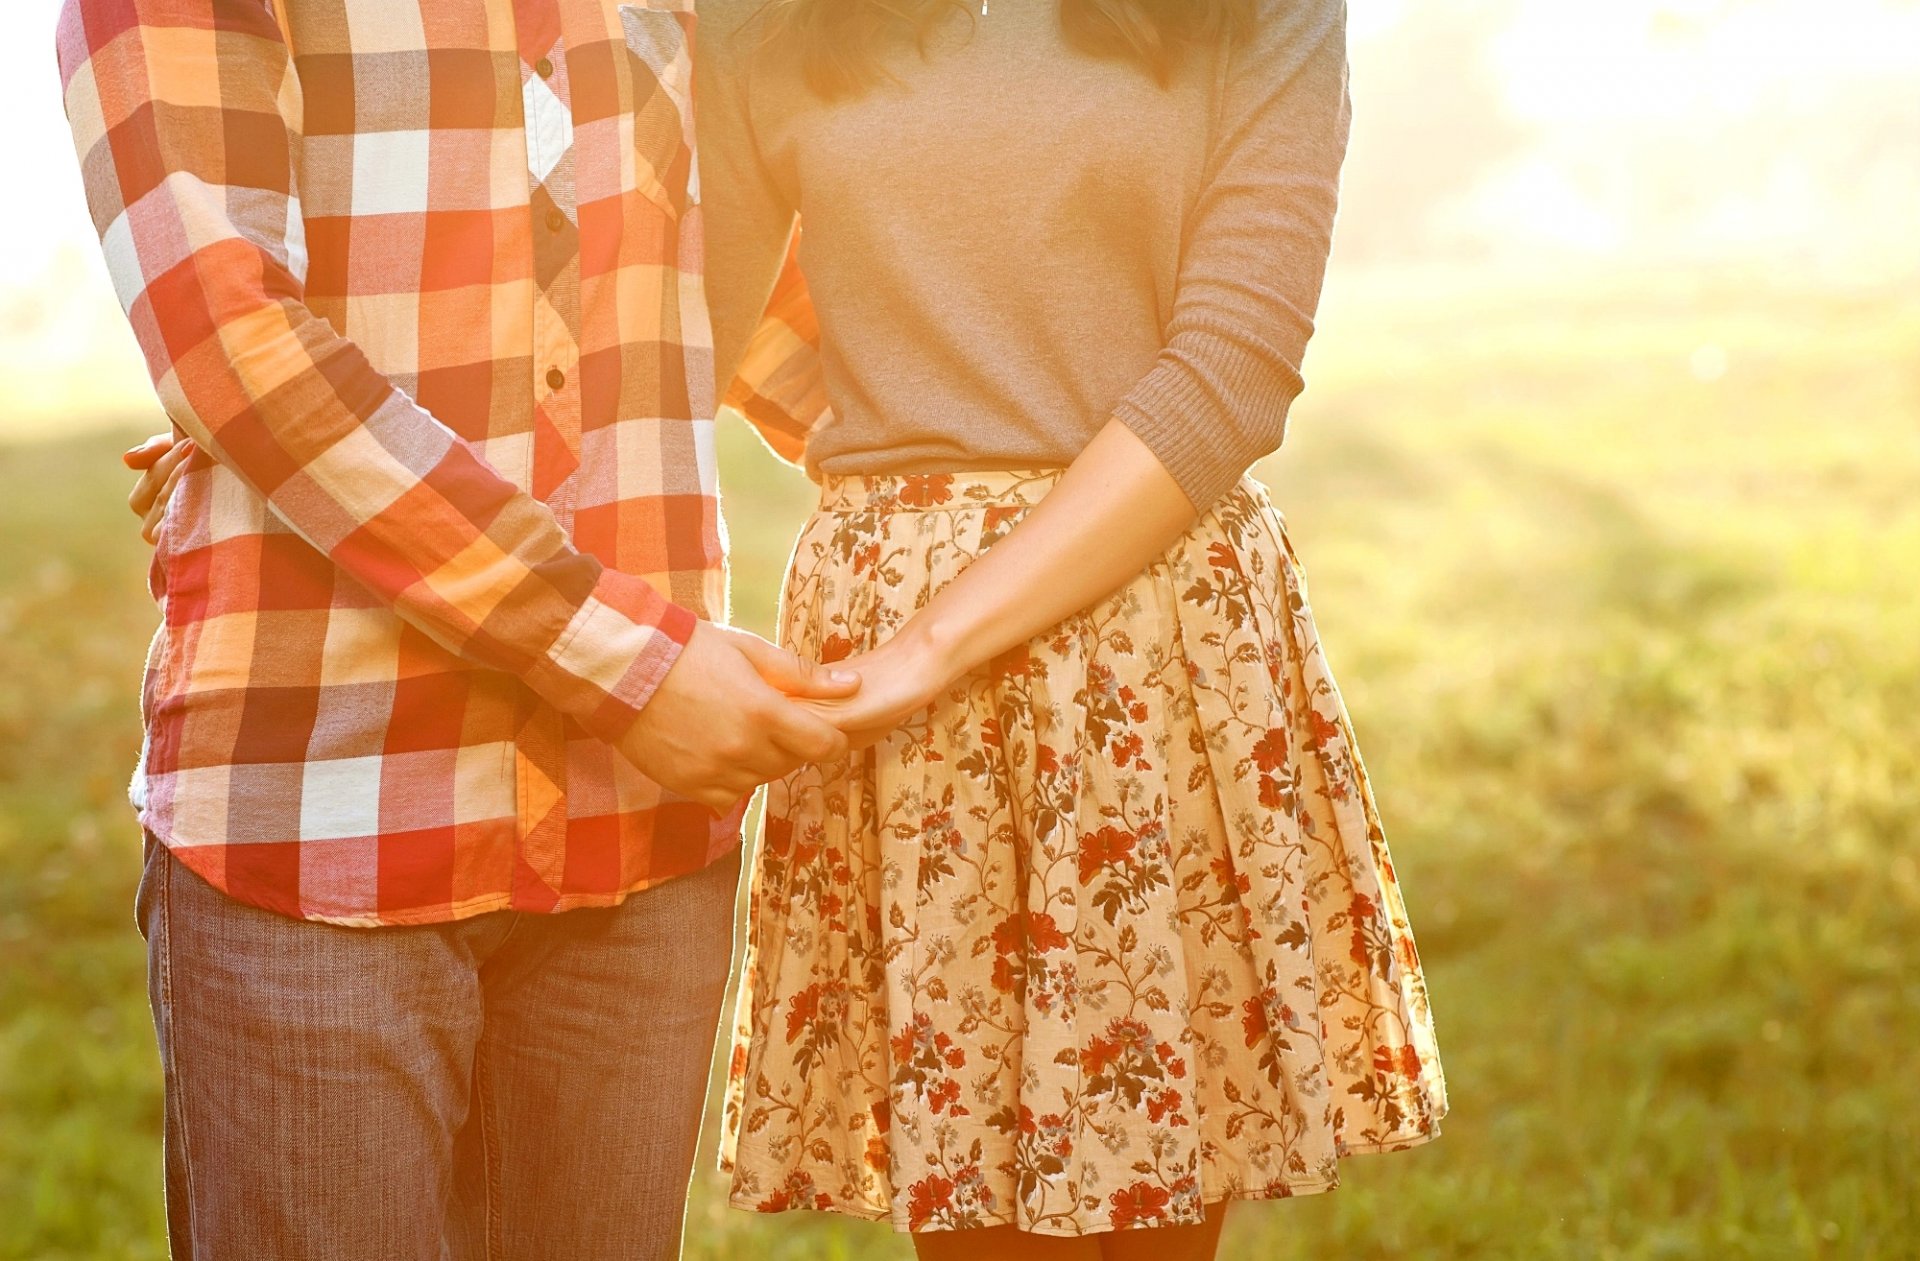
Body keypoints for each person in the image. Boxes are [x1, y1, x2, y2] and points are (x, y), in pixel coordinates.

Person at [58, 0, 851, 1256]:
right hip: (321, 817)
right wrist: (632, 669)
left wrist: (1070, 492)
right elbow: (234, 343)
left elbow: (781, 320)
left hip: (634, 846)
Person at [699, 1, 1449, 1257]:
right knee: (976, 1223)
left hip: (1150, 646)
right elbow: (675, 343)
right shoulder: (762, 22)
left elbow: (1233, 365)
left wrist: (932, 636)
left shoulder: (1253, 15)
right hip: (901, 664)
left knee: (1149, 1210)